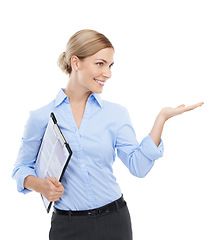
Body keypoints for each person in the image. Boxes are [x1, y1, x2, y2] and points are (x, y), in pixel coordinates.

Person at [12, 29, 204, 240]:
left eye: (110, 66)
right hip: (67, 228)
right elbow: (21, 169)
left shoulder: (116, 114)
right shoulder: (40, 117)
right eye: (100, 64)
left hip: (114, 222)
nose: (108, 73)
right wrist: (38, 184)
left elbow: (138, 167)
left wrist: (161, 119)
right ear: (75, 63)